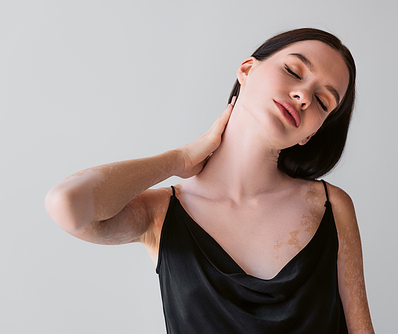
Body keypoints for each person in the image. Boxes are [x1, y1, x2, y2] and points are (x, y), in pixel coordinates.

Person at [45, 28, 375, 333]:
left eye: (322, 101)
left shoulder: (331, 206)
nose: (303, 95)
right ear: (247, 70)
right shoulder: (161, 214)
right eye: (293, 71)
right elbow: (67, 204)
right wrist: (178, 159)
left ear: (312, 133)